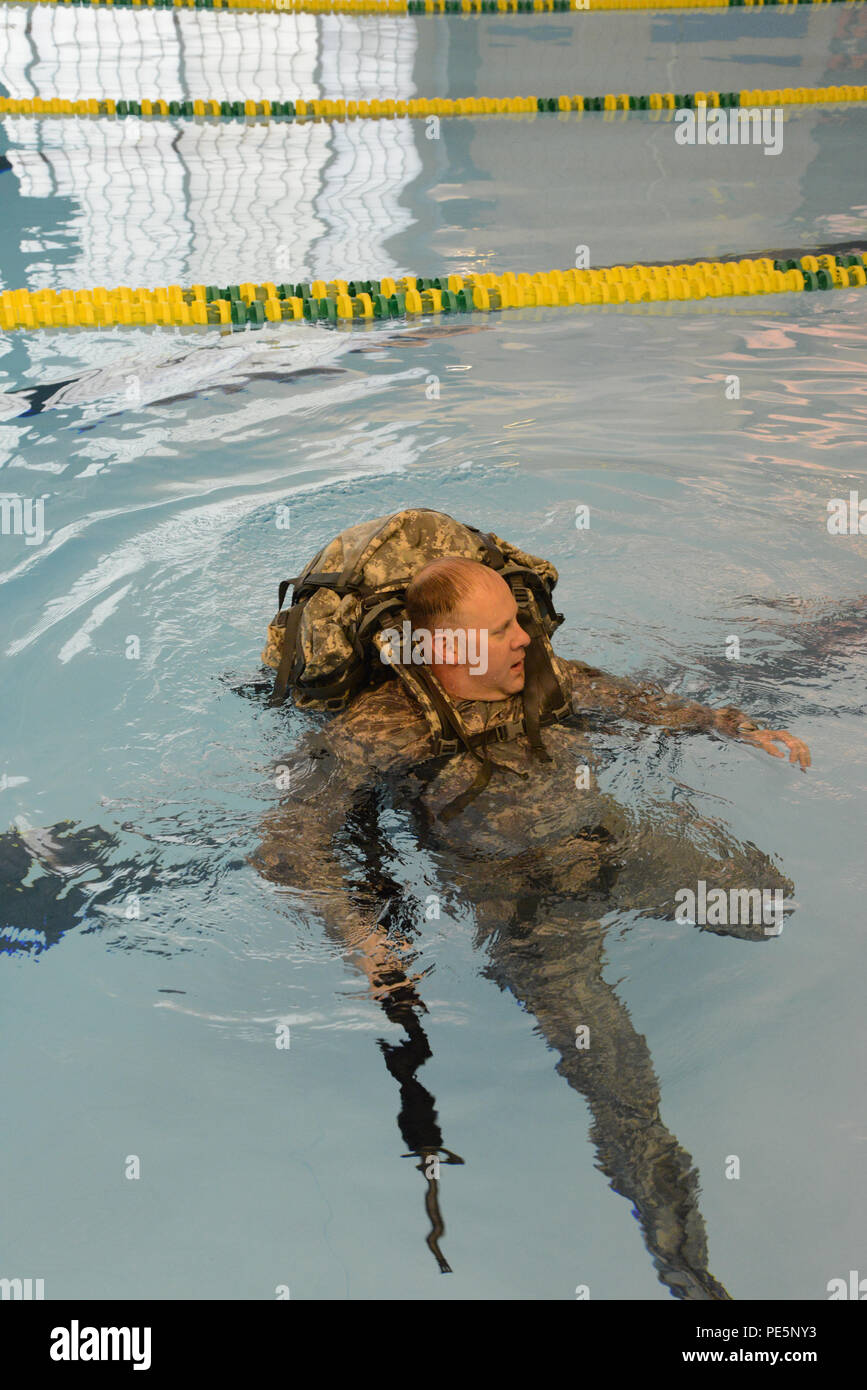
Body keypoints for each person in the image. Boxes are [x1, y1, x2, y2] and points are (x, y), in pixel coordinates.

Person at [254, 554, 809, 1299]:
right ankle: (689, 1273)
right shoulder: (377, 729)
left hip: (613, 851)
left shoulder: (545, 673)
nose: (524, 637)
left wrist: (733, 726)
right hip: (528, 914)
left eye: (519, 620)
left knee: (768, 909)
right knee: (622, 1091)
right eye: (501, 630)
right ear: (447, 651)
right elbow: (285, 846)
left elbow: (635, 700)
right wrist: (362, 938)